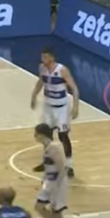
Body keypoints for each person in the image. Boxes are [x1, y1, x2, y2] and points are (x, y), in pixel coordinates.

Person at [30, 48, 79, 178]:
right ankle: (48, 161)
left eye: (45, 57)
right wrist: (34, 96)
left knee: (63, 136)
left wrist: (76, 107)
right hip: (48, 106)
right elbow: (40, 82)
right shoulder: (42, 68)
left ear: (52, 58)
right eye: (42, 57)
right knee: (46, 135)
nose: (43, 60)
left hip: (61, 107)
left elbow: (74, 88)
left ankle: (69, 166)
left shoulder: (62, 70)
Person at [33, 123, 68, 218]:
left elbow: (61, 169)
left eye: (36, 134)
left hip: (57, 183)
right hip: (49, 181)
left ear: (41, 135)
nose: (34, 136)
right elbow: (50, 163)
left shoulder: (54, 147)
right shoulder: (48, 147)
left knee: (56, 211)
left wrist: (56, 189)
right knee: (39, 207)